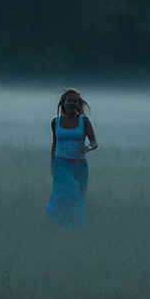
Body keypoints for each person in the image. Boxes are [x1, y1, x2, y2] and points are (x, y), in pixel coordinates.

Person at [46, 88, 97, 230]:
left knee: (79, 198)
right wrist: (52, 165)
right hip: (61, 164)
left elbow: (94, 142)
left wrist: (88, 148)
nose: (72, 104)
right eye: (69, 101)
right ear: (63, 103)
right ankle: (75, 226)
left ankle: (71, 227)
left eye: (75, 101)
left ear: (79, 104)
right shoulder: (55, 122)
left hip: (80, 166)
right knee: (70, 192)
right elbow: (55, 144)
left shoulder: (83, 120)